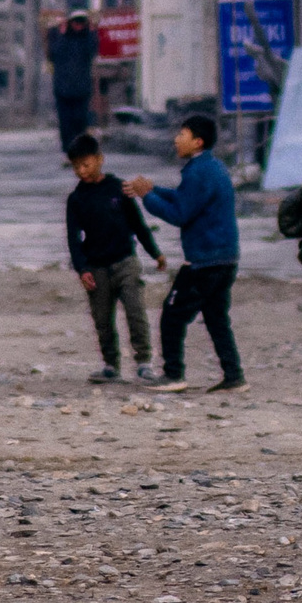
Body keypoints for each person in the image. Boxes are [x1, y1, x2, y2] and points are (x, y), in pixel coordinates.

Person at [123, 113, 244, 393]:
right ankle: (234, 375)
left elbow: (179, 213)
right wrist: (154, 189)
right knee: (215, 318)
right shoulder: (210, 167)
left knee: (172, 315)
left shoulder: (199, 172)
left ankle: (174, 374)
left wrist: (147, 197)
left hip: (205, 261)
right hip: (225, 258)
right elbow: (184, 197)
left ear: (197, 141)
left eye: (182, 134)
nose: (176, 139)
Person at [65, 133, 165, 384]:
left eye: (86, 164)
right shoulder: (76, 199)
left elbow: (138, 225)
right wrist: (82, 269)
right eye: (76, 166)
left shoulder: (119, 189)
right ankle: (111, 365)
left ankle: (143, 362)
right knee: (102, 318)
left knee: (135, 311)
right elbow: (73, 239)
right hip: (96, 267)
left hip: (125, 262)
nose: (81, 171)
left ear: (99, 159)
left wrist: (156, 253)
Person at [47, 11, 99, 154]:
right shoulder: (59, 36)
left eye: (81, 22)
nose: (78, 26)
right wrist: (62, 34)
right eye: (75, 22)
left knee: (80, 120)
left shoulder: (87, 38)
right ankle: (68, 149)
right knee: (65, 122)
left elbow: (92, 50)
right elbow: (53, 54)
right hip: (62, 88)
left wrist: (92, 32)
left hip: (82, 88)